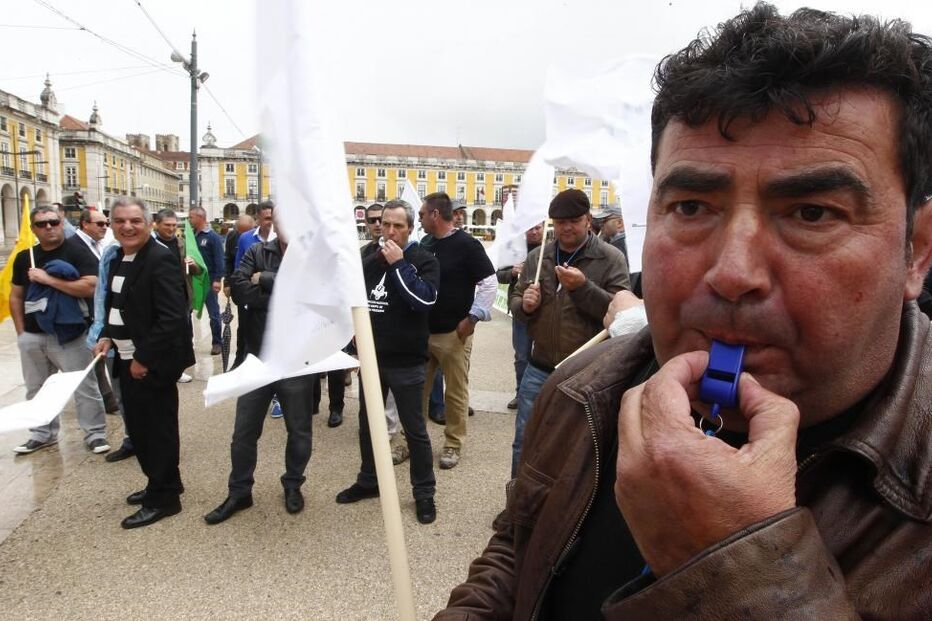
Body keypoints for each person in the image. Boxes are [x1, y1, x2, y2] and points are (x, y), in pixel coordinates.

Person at [436, 5, 932, 618]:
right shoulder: (580, 391)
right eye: (692, 207)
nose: (733, 273)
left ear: (916, 249)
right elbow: (513, 555)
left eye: (812, 213)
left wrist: (734, 567)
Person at [204, 211, 315, 524]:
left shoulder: (312, 258)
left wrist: (264, 280)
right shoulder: (256, 251)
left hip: (296, 361)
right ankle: (240, 491)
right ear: (273, 224)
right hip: (257, 356)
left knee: (299, 432)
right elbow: (239, 289)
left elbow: (314, 295)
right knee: (243, 432)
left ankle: (293, 484)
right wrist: (285, 296)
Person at [509, 189, 629, 476]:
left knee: (577, 448)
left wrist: (583, 288)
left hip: (586, 372)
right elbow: (516, 299)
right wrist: (525, 306)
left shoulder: (610, 258)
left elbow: (621, 314)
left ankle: (561, 502)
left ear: (588, 219)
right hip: (539, 368)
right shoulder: (539, 256)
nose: (567, 228)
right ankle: (517, 498)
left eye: (574, 221)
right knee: (525, 440)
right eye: (560, 222)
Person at [336, 199, 439, 524]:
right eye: (385, 224)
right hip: (372, 357)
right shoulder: (368, 257)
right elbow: (350, 296)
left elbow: (423, 300)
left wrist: (398, 265)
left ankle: (424, 492)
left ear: (410, 228)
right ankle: (370, 479)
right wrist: (351, 331)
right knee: (369, 423)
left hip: (407, 361)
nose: (390, 231)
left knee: (414, 430)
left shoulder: (424, 259)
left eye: (398, 225)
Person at [93, 199, 193, 529]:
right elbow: (118, 304)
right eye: (120, 220)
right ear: (112, 224)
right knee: (140, 430)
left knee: (156, 433)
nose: (127, 227)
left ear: (148, 223)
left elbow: (172, 318)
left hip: (149, 365)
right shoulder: (120, 256)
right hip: (124, 358)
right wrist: (107, 335)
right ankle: (162, 483)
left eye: (135, 220)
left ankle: (164, 499)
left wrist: (142, 358)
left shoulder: (159, 258)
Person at [9, 206, 109, 455]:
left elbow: (91, 287)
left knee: (84, 386)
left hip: (71, 334)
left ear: (61, 222)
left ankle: (95, 433)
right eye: (41, 224)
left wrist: (48, 279)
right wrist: (22, 333)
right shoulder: (25, 257)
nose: (49, 227)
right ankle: (41, 433)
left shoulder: (77, 251)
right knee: (36, 388)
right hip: (33, 335)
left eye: (53, 222)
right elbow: (16, 296)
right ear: (33, 229)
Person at [418, 192, 496, 469]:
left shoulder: (468, 245)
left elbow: (489, 283)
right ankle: (412, 440)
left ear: (435, 215)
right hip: (422, 332)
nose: (419, 219)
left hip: (453, 333)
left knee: (454, 393)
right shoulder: (425, 243)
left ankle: (453, 444)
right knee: (417, 391)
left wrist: (472, 319)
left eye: (422, 214)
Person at [495, 223, 543, 409]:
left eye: (538, 228)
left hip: (545, 312)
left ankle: (542, 397)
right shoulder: (514, 251)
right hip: (521, 312)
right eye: (530, 228)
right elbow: (499, 275)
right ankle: (520, 394)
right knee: (522, 355)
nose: (534, 231)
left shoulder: (550, 249)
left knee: (545, 355)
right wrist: (512, 273)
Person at [187, 206, 224, 355]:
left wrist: (217, 279)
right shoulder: (192, 235)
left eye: (191, 217)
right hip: (193, 281)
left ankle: (217, 343)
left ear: (200, 217)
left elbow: (219, 259)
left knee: (214, 314)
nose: (189, 219)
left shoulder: (213, 237)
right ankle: (187, 343)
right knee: (187, 313)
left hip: (208, 281)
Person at [224, 214, 255, 370]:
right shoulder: (232, 236)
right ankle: (239, 358)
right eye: (240, 231)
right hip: (241, 287)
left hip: (257, 288)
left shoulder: (257, 238)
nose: (243, 235)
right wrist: (227, 282)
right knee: (242, 325)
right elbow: (229, 260)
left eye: (246, 231)